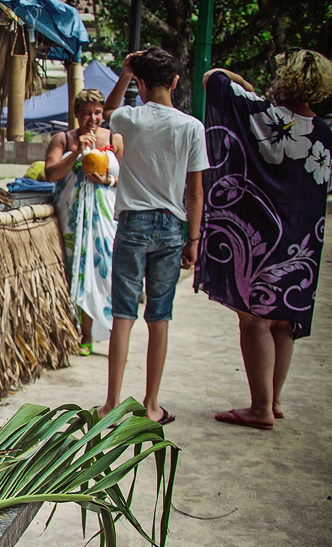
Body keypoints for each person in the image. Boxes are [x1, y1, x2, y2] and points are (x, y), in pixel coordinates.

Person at [195, 50, 332, 431]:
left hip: (263, 237)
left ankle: (260, 409)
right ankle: (274, 399)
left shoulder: (262, 114)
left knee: (254, 319)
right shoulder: (325, 134)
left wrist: (247, 84)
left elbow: (212, 77)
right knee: (283, 318)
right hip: (304, 239)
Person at [99, 47, 209, 425]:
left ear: (141, 83)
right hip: (171, 226)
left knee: (124, 315)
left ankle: (112, 403)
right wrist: (193, 240)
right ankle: (151, 405)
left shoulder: (130, 118)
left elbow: (106, 113)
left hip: (132, 223)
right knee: (159, 317)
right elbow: (195, 192)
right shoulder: (191, 127)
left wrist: (126, 73)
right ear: (175, 83)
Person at [44, 88, 124, 356]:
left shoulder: (114, 139)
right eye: (87, 113)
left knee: (108, 273)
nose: (93, 118)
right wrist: (76, 152)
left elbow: (127, 179)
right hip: (73, 218)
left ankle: (116, 339)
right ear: (77, 115)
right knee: (78, 271)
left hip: (106, 218)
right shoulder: (63, 139)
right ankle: (85, 335)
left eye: (98, 112)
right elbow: (51, 174)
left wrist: (108, 180)